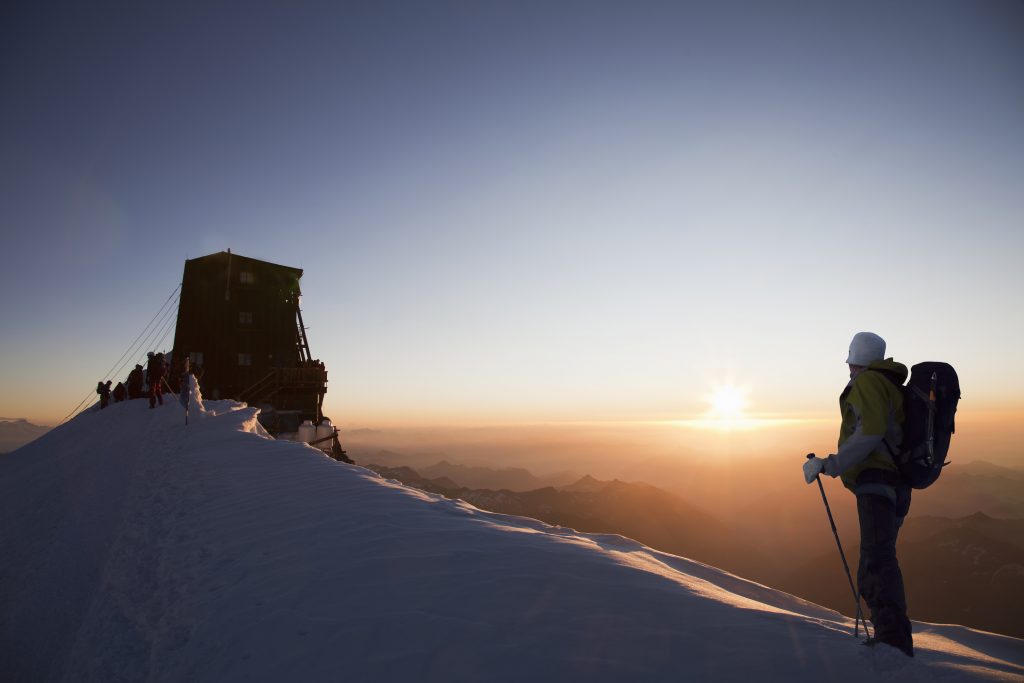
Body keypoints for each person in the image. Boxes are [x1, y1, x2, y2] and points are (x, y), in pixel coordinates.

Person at [803, 332, 913, 657]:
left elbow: (871, 432)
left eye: (850, 360)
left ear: (855, 358)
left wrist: (830, 464)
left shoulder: (868, 383)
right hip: (897, 484)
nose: (848, 367)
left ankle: (892, 642)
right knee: (881, 558)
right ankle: (892, 636)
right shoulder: (891, 385)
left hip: (876, 482)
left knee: (875, 561)